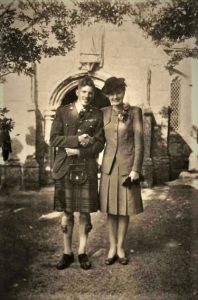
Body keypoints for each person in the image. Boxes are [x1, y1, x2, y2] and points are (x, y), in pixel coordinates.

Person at [50, 76, 104, 270]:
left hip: (85, 168)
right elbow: (54, 140)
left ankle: (82, 251)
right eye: (84, 92)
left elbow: (99, 144)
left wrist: (81, 151)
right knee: (67, 212)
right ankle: (66, 252)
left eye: (91, 93)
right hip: (65, 167)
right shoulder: (63, 111)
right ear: (77, 92)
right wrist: (76, 140)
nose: (87, 96)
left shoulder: (98, 115)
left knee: (85, 213)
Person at [99, 77, 144, 265]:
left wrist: (136, 169)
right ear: (107, 95)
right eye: (111, 93)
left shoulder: (134, 112)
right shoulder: (102, 113)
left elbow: (140, 142)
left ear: (123, 92)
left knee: (124, 209)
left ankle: (120, 247)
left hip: (127, 168)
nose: (114, 96)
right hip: (109, 168)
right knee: (111, 210)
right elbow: (97, 140)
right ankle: (111, 248)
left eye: (118, 92)